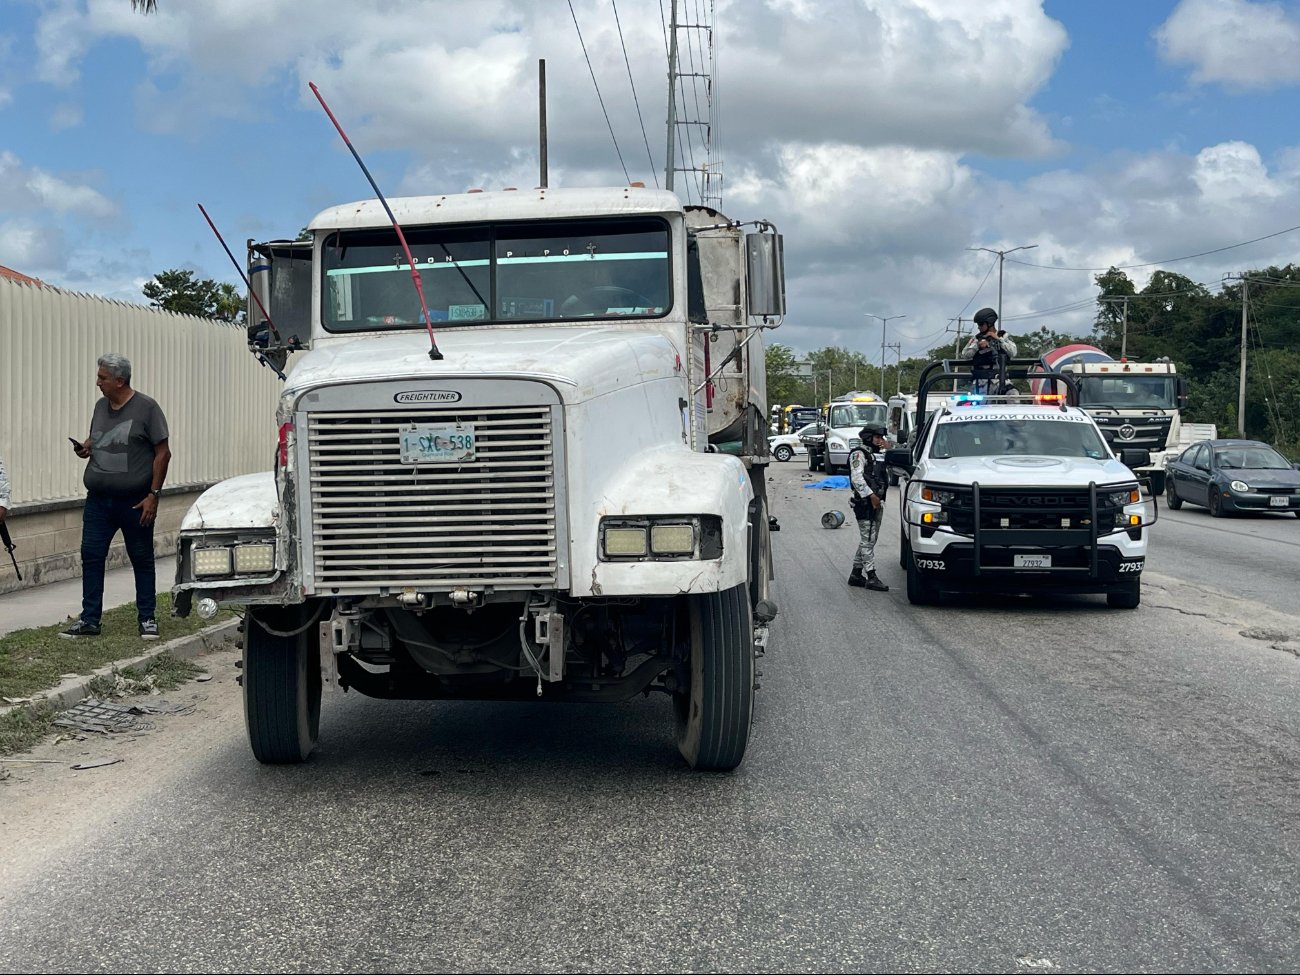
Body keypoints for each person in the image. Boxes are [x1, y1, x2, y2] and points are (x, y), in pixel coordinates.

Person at [62, 354, 171, 640]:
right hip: (98, 501)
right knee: (92, 556)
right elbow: (98, 438)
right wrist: (86, 447)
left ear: (119, 381)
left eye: (102, 378)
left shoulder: (147, 408)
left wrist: (153, 495)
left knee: (141, 558)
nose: (97, 382)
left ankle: (147, 618)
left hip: (135, 501)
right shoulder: (100, 406)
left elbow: (163, 453)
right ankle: (90, 620)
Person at [847, 425, 891, 592]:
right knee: (868, 539)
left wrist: (889, 449)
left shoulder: (875, 454)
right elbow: (857, 478)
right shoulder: (859, 454)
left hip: (877, 502)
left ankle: (856, 574)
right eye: (877, 437)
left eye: (881, 438)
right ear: (868, 437)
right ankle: (871, 576)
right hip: (865, 503)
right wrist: (871, 496)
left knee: (870, 539)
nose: (881, 440)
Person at [961, 307, 1018, 394]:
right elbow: (965, 355)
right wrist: (977, 345)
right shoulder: (976, 338)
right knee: (977, 404)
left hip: (1000, 378)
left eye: (980, 324)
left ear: (990, 323)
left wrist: (999, 340)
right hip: (981, 381)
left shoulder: (1003, 336)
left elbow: (1013, 352)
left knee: (1013, 395)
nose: (978, 327)